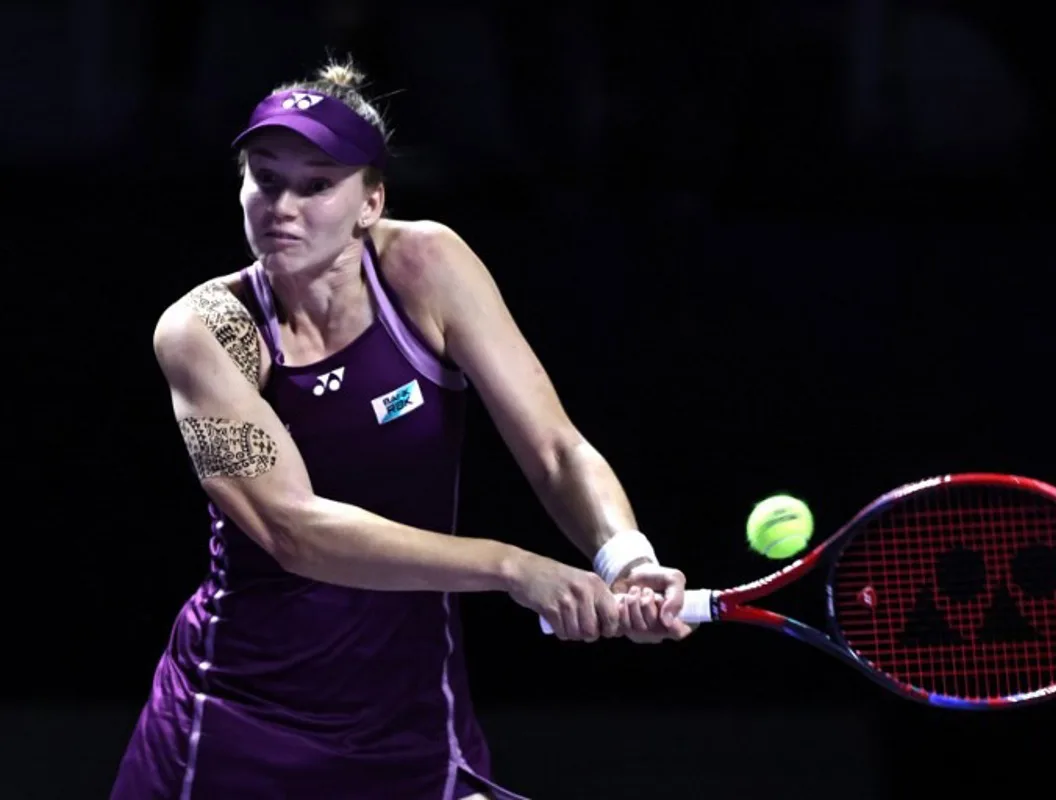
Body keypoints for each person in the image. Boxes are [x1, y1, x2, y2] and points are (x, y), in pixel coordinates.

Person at [111, 57, 691, 800]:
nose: (283, 204)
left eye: (316, 184)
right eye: (265, 177)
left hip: (413, 720)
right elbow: (293, 532)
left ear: (370, 202)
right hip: (234, 723)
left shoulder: (428, 267)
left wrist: (625, 560)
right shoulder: (206, 330)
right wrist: (514, 567)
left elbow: (555, 449)